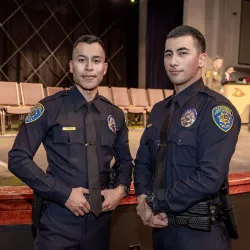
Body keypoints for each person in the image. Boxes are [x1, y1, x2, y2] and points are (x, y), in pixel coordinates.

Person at [8, 35, 133, 250]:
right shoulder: (48, 108)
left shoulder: (115, 115)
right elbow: (17, 158)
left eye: (95, 61)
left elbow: (125, 161)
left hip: (100, 224)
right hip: (58, 221)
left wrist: (120, 190)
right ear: (71, 66)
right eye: (82, 60)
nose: (89, 67)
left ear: (104, 68)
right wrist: (64, 194)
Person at [134, 25, 241, 250]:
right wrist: (143, 199)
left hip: (199, 235)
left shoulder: (216, 109)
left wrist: (155, 202)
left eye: (183, 53)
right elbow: (143, 161)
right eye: (168, 54)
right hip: (161, 229)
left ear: (201, 59)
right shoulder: (159, 110)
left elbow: (210, 176)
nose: (173, 61)